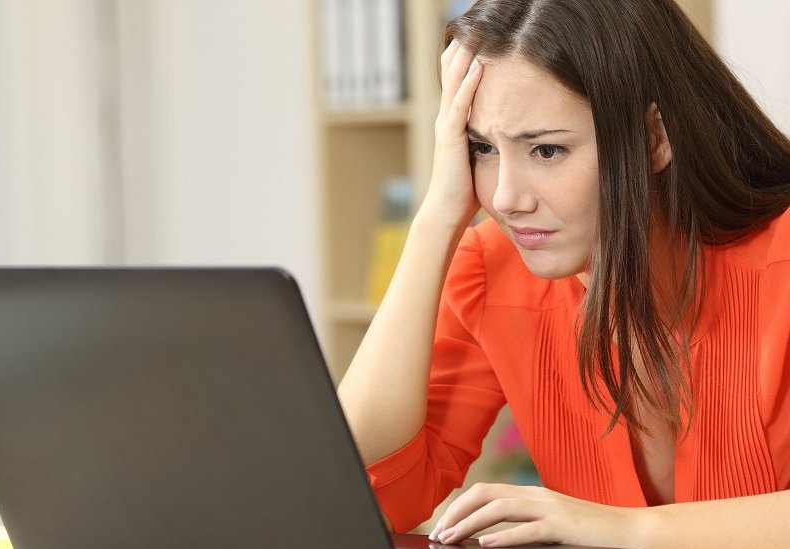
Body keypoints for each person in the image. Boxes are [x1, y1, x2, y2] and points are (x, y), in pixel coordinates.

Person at [336, 0, 790, 547]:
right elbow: (363, 494)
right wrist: (436, 218)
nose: (505, 199)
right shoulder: (492, 270)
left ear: (654, 139)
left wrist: (629, 531)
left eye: (546, 149)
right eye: (482, 148)